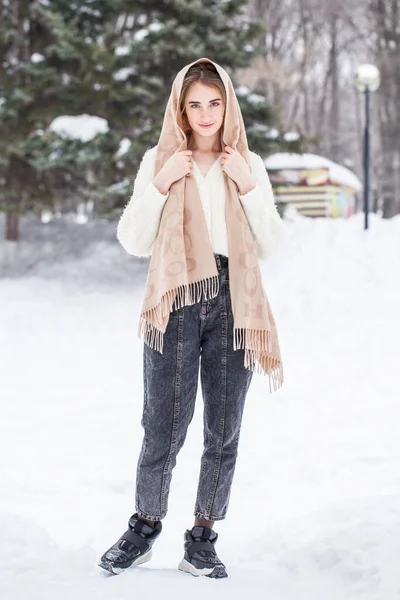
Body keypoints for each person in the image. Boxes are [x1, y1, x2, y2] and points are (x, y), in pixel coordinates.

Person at [99, 57, 286, 580]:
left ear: (228, 106)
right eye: (194, 104)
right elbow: (134, 241)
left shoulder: (247, 164)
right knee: (162, 422)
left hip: (235, 300)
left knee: (223, 427)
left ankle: (202, 537)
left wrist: (248, 186)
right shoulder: (160, 160)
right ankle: (143, 526)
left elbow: (270, 245)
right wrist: (161, 183)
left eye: (215, 103)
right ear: (180, 110)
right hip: (176, 296)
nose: (205, 114)